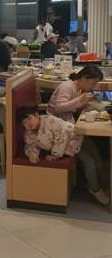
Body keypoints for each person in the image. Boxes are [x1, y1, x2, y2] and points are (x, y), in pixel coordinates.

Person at [18, 105, 109, 205]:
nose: (28, 124)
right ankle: (95, 189)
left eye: (29, 119)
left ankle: (106, 185)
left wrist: (56, 155)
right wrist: (31, 153)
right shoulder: (29, 133)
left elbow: (62, 137)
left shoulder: (50, 121)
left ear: (36, 115)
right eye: (24, 122)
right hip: (71, 145)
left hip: (75, 135)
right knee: (90, 162)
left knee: (98, 159)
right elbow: (31, 145)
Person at [47, 65, 108, 204]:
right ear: (84, 78)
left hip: (71, 128)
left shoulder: (78, 88)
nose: (94, 86)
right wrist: (80, 100)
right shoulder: (67, 87)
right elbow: (59, 108)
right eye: (93, 83)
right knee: (90, 161)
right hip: (59, 132)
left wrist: (85, 102)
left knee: (97, 155)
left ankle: (104, 184)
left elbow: (71, 108)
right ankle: (95, 189)